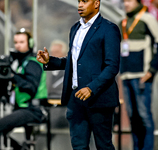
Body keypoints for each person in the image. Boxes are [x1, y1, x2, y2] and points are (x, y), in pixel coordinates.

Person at [37, 0, 121, 149]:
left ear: (96, 4)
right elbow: (73, 61)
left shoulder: (109, 29)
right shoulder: (75, 28)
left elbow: (112, 67)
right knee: (78, 146)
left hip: (99, 98)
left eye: (85, 1)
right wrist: (50, 61)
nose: (80, 5)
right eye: (79, 1)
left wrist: (91, 88)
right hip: (75, 99)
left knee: (104, 146)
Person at [0, 28, 48, 150]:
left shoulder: (32, 63)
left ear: (30, 43)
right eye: (16, 42)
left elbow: (30, 87)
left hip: (34, 110)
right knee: (1, 130)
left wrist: (13, 76)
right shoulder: (21, 63)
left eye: (22, 42)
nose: (18, 45)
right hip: (22, 108)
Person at [119, 0, 158, 149]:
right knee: (133, 117)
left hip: (141, 76)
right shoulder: (123, 21)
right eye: (124, 1)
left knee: (144, 116)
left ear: (138, 2)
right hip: (126, 76)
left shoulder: (148, 19)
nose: (126, 4)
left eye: (130, 1)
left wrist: (151, 71)